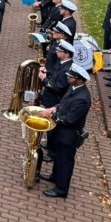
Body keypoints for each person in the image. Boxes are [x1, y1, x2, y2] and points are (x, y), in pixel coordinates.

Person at [38, 64, 92, 198]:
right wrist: (53, 108)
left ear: (79, 79)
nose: (67, 78)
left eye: (71, 76)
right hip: (60, 132)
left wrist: (51, 115)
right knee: (57, 157)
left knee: (64, 161)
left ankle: (61, 189)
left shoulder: (82, 99)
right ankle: (54, 177)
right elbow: (63, 103)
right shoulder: (73, 87)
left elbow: (69, 120)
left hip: (69, 136)